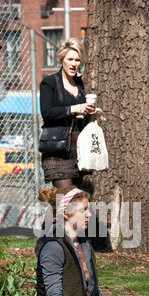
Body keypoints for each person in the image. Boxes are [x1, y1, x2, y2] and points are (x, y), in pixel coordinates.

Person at [40, 38, 96, 188]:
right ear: (62, 59)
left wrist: (91, 114)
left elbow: (82, 116)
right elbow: (47, 112)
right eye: (70, 59)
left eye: (77, 60)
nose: (73, 64)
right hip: (58, 148)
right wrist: (74, 108)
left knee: (75, 202)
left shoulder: (79, 84)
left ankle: (55, 212)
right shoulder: (50, 82)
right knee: (66, 199)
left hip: (78, 149)